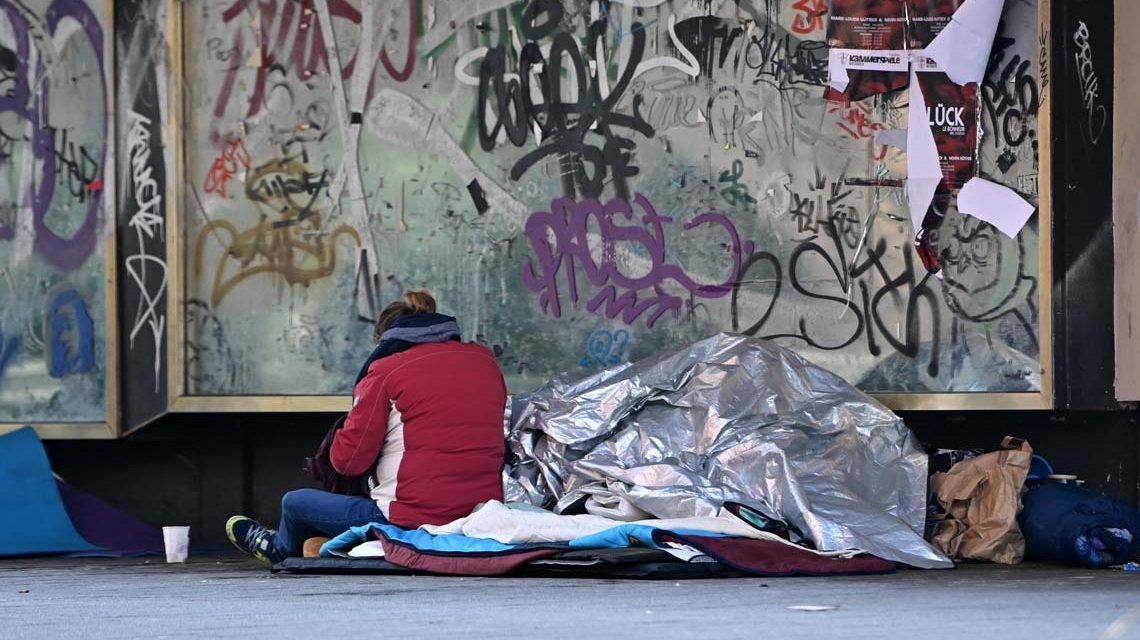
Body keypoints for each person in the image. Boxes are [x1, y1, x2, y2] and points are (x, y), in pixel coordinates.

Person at [224, 291, 508, 564]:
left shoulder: (387, 370)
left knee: (295, 504)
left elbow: (347, 462)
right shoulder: (484, 363)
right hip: (479, 513)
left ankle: (277, 548)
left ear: (385, 339)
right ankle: (326, 542)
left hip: (412, 516)